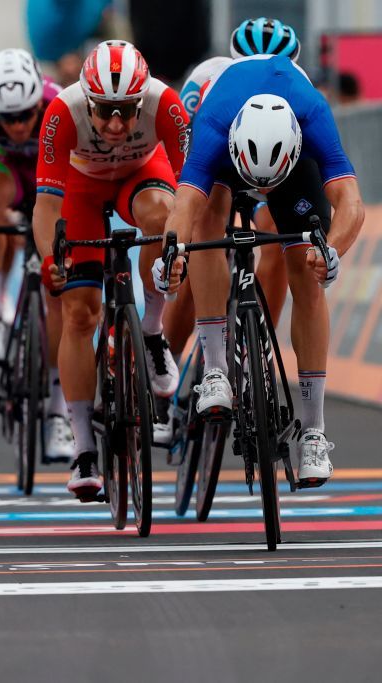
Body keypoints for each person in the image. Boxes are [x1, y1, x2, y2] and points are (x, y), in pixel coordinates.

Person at [161, 53, 364, 488]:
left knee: (307, 274)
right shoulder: (214, 122)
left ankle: (313, 431)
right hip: (225, 163)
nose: (263, 193)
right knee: (205, 220)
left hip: (296, 166)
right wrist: (172, 253)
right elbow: (182, 207)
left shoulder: (313, 115)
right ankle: (215, 369)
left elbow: (351, 204)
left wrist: (332, 251)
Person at [34, 40, 189, 499]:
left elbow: (191, 192)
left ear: (142, 99)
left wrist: (175, 251)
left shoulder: (166, 104)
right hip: (82, 188)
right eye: (105, 111)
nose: (117, 124)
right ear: (88, 99)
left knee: (160, 217)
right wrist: (51, 260)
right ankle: (83, 445)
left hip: (143, 176)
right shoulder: (63, 111)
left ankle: (152, 329)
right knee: (79, 314)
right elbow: (47, 206)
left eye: (127, 111)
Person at [165, 17, 304, 356]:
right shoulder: (205, 78)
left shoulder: (299, 83)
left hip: (267, 172)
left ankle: (258, 350)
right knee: (202, 239)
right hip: (218, 163)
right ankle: (165, 378)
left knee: (275, 237)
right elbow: (189, 155)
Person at [0, 48, 73, 458]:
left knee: (59, 298)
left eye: (24, 116)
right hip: (10, 180)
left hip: (53, 180)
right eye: (6, 118)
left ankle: (60, 413)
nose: (15, 126)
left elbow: (76, 176)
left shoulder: (58, 103)